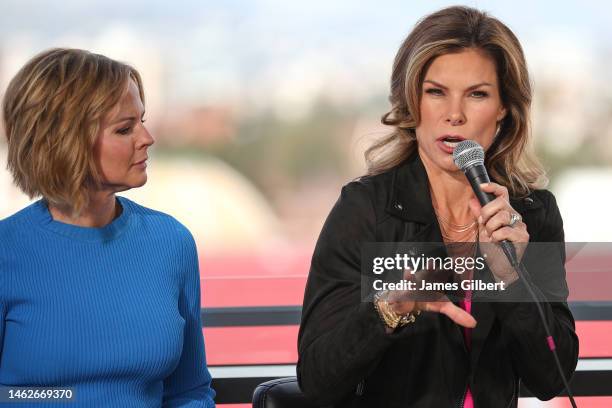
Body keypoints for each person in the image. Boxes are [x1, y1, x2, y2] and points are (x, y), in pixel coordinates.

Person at [297, 6, 579, 407]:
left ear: (504, 108)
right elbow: (317, 378)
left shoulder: (531, 215)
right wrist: (388, 310)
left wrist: (509, 279)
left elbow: (553, 377)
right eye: (436, 92)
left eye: (477, 94)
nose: (455, 114)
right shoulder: (366, 210)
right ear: (413, 102)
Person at [0, 48, 215, 407]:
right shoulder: (7, 252)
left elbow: (189, 391)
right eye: (124, 128)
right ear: (65, 140)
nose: (147, 138)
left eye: (142, 121)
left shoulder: (170, 242)